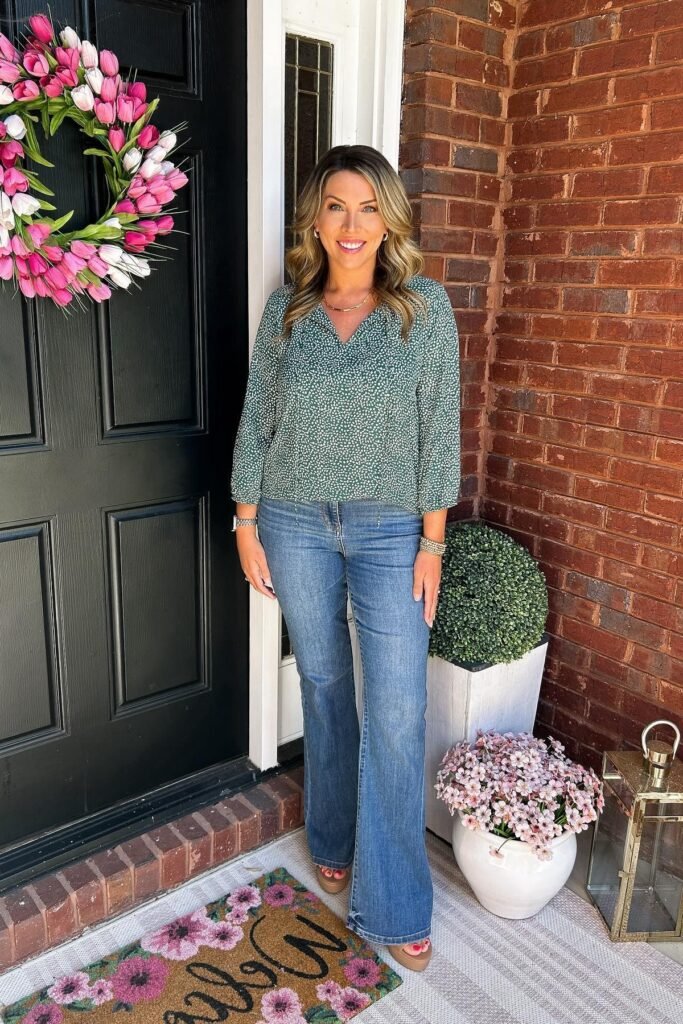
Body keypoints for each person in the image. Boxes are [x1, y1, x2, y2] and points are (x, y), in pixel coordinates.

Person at [230, 144, 460, 973]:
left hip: (391, 530)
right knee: (324, 684)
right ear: (314, 221)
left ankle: (395, 902)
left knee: (396, 710)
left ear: (389, 220)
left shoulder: (422, 310)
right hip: (291, 520)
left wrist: (434, 538)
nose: (351, 225)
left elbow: (440, 431)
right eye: (336, 207)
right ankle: (328, 831)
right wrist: (245, 518)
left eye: (368, 208)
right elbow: (259, 415)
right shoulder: (286, 314)